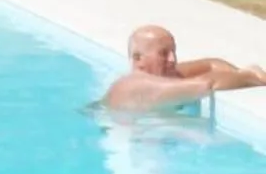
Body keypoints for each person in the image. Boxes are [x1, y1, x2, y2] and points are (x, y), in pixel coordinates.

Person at [101, 24, 266, 111]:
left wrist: (236, 72)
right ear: (138, 59)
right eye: (164, 54)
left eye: (173, 51)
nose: (173, 59)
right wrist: (252, 75)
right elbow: (209, 84)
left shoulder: (166, 77)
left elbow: (211, 64)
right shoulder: (136, 85)